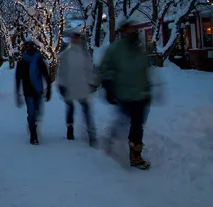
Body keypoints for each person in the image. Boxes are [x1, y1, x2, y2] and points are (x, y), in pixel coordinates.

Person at [99, 20, 152, 170]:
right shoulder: (115, 49)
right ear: (122, 31)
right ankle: (112, 139)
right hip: (124, 94)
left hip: (141, 94)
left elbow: (145, 70)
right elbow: (105, 68)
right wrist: (109, 86)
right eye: (129, 29)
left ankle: (135, 156)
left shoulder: (139, 49)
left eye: (134, 28)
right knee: (122, 121)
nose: (132, 31)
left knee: (137, 126)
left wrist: (149, 90)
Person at [57, 30, 98, 146]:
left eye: (78, 38)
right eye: (74, 38)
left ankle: (91, 134)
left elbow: (89, 70)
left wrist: (91, 83)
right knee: (71, 108)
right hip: (70, 86)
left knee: (86, 110)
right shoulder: (66, 54)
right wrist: (62, 85)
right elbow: (61, 72)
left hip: (81, 86)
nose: (76, 40)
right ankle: (70, 129)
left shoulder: (84, 54)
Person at [15, 41, 52, 145]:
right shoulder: (22, 62)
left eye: (32, 47)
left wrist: (49, 89)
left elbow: (46, 76)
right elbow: (18, 78)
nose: (30, 49)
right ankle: (33, 134)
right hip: (28, 91)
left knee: (38, 113)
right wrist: (17, 93)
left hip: (38, 90)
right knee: (31, 112)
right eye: (28, 48)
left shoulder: (39, 61)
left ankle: (32, 125)